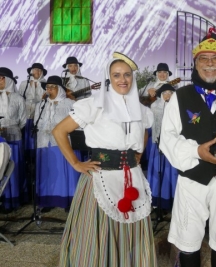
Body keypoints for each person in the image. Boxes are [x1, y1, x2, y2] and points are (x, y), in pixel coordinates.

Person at [53, 52, 157, 266]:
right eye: (117, 75)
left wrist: (138, 152)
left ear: (133, 78)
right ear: (108, 77)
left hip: (132, 177)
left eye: (127, 75)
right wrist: (75, 163)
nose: (123, 80)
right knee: (98, 232)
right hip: (100, 176)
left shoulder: (141, 109)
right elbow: (59, 131)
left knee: (131, 230)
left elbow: (144, 130)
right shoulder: (94, 105)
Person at [160, 29, 216, 267]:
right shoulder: (180, 97)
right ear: (195, 63)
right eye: (204, 59)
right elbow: (167, 138)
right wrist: (195, 152)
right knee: (188, 239)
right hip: (192, 179)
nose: (210, 64)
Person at [34, 76, 80, 210]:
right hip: (44, 143)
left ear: (59, 89)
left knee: (63, 171)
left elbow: (76, 123)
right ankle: (48, 200)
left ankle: (68, 200)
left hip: (62, 142)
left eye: (52, 87)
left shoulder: (69, 103)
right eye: (47, 87)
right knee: (48, 173)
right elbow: (38, 122)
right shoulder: (41, 105)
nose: (49, 90)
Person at [0, 67, 27, 210]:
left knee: (13, 166)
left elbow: (23, 120)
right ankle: (2, 198)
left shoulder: (18, 98)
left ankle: (15, 199)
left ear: (9, 80)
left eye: (1, 78)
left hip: (14, 134)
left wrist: (12, 127)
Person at [147, 83, 178, 210]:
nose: (168, 95)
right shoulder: (155, 106)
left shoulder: (177, 106)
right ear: (161, 94)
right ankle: (157, 200)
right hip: (158, 144)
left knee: (172, 173)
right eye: (165, 93)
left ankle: (172, 200)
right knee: (158, 171)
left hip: (173, 145)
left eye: (170, 93)